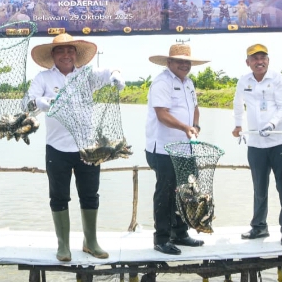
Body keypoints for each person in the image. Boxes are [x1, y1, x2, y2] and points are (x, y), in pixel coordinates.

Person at [27, 33, 125, 262]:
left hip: (88, 148)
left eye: (70, 50)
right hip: (57, 147)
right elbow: (28, 103)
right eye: (60, 50)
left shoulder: (86, 75)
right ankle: (63, 245)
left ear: (76, 54)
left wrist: (116, 75)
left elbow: (110, 71)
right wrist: (40, 102)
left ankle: (90, 242)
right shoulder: (43, 78)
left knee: (90, 195)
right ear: (53, 55)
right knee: (59, 196)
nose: (66, 54)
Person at [145, 44, 207, 255]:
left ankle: (179, 233)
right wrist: (185, 128)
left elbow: (195, 109)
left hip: (186, 148)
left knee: (185, 192)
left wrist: (195, 126)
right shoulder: (162, 82)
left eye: (187, 61)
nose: (184, 65)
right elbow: (162, 114)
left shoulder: (189, 82)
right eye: (179, 61)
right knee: (165, 193)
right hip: (163, 149)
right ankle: (161, 239)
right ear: (169, 62)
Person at [232, 44, 282, 246]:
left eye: (263, 58)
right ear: (248, 62)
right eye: (255, 58)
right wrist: (237, 125)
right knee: (259, 188)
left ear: (268, 60)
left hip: (281, 142)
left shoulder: (279, 80)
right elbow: (237, 104)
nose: (259, 62)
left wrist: (271, 124)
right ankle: (259, 227)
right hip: (256, 144)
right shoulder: (244, 81)